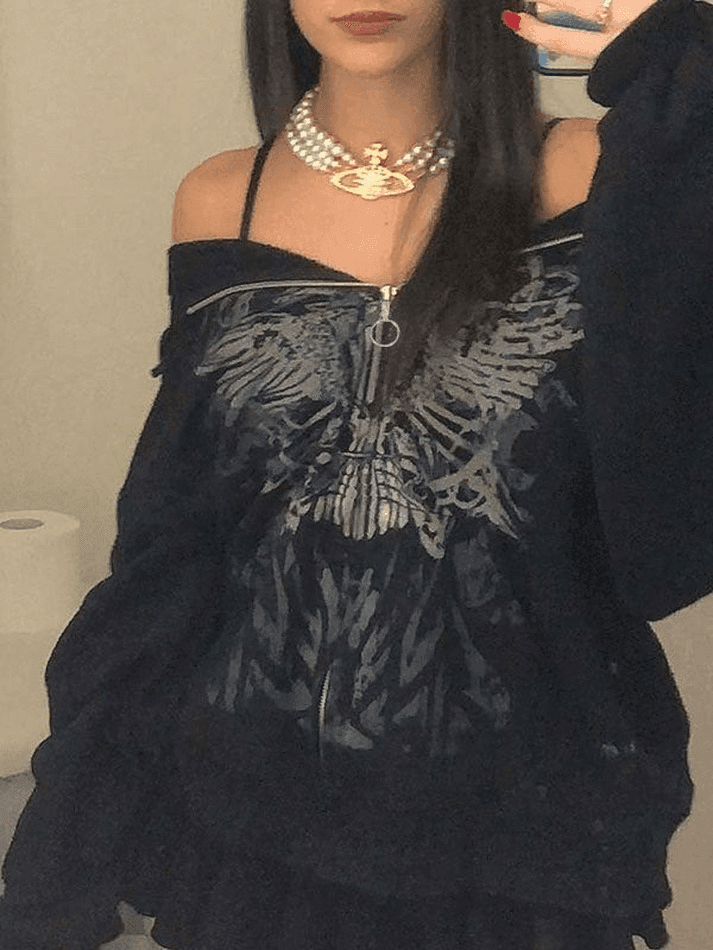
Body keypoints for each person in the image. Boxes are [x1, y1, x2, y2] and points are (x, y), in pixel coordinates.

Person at [1, 0, 712, 948]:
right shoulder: (219, 199)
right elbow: (176, 547)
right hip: (252, 839)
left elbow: (668, 539)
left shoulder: (606, 174)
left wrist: (684, 76)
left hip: (525, 837)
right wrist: (69, 846)